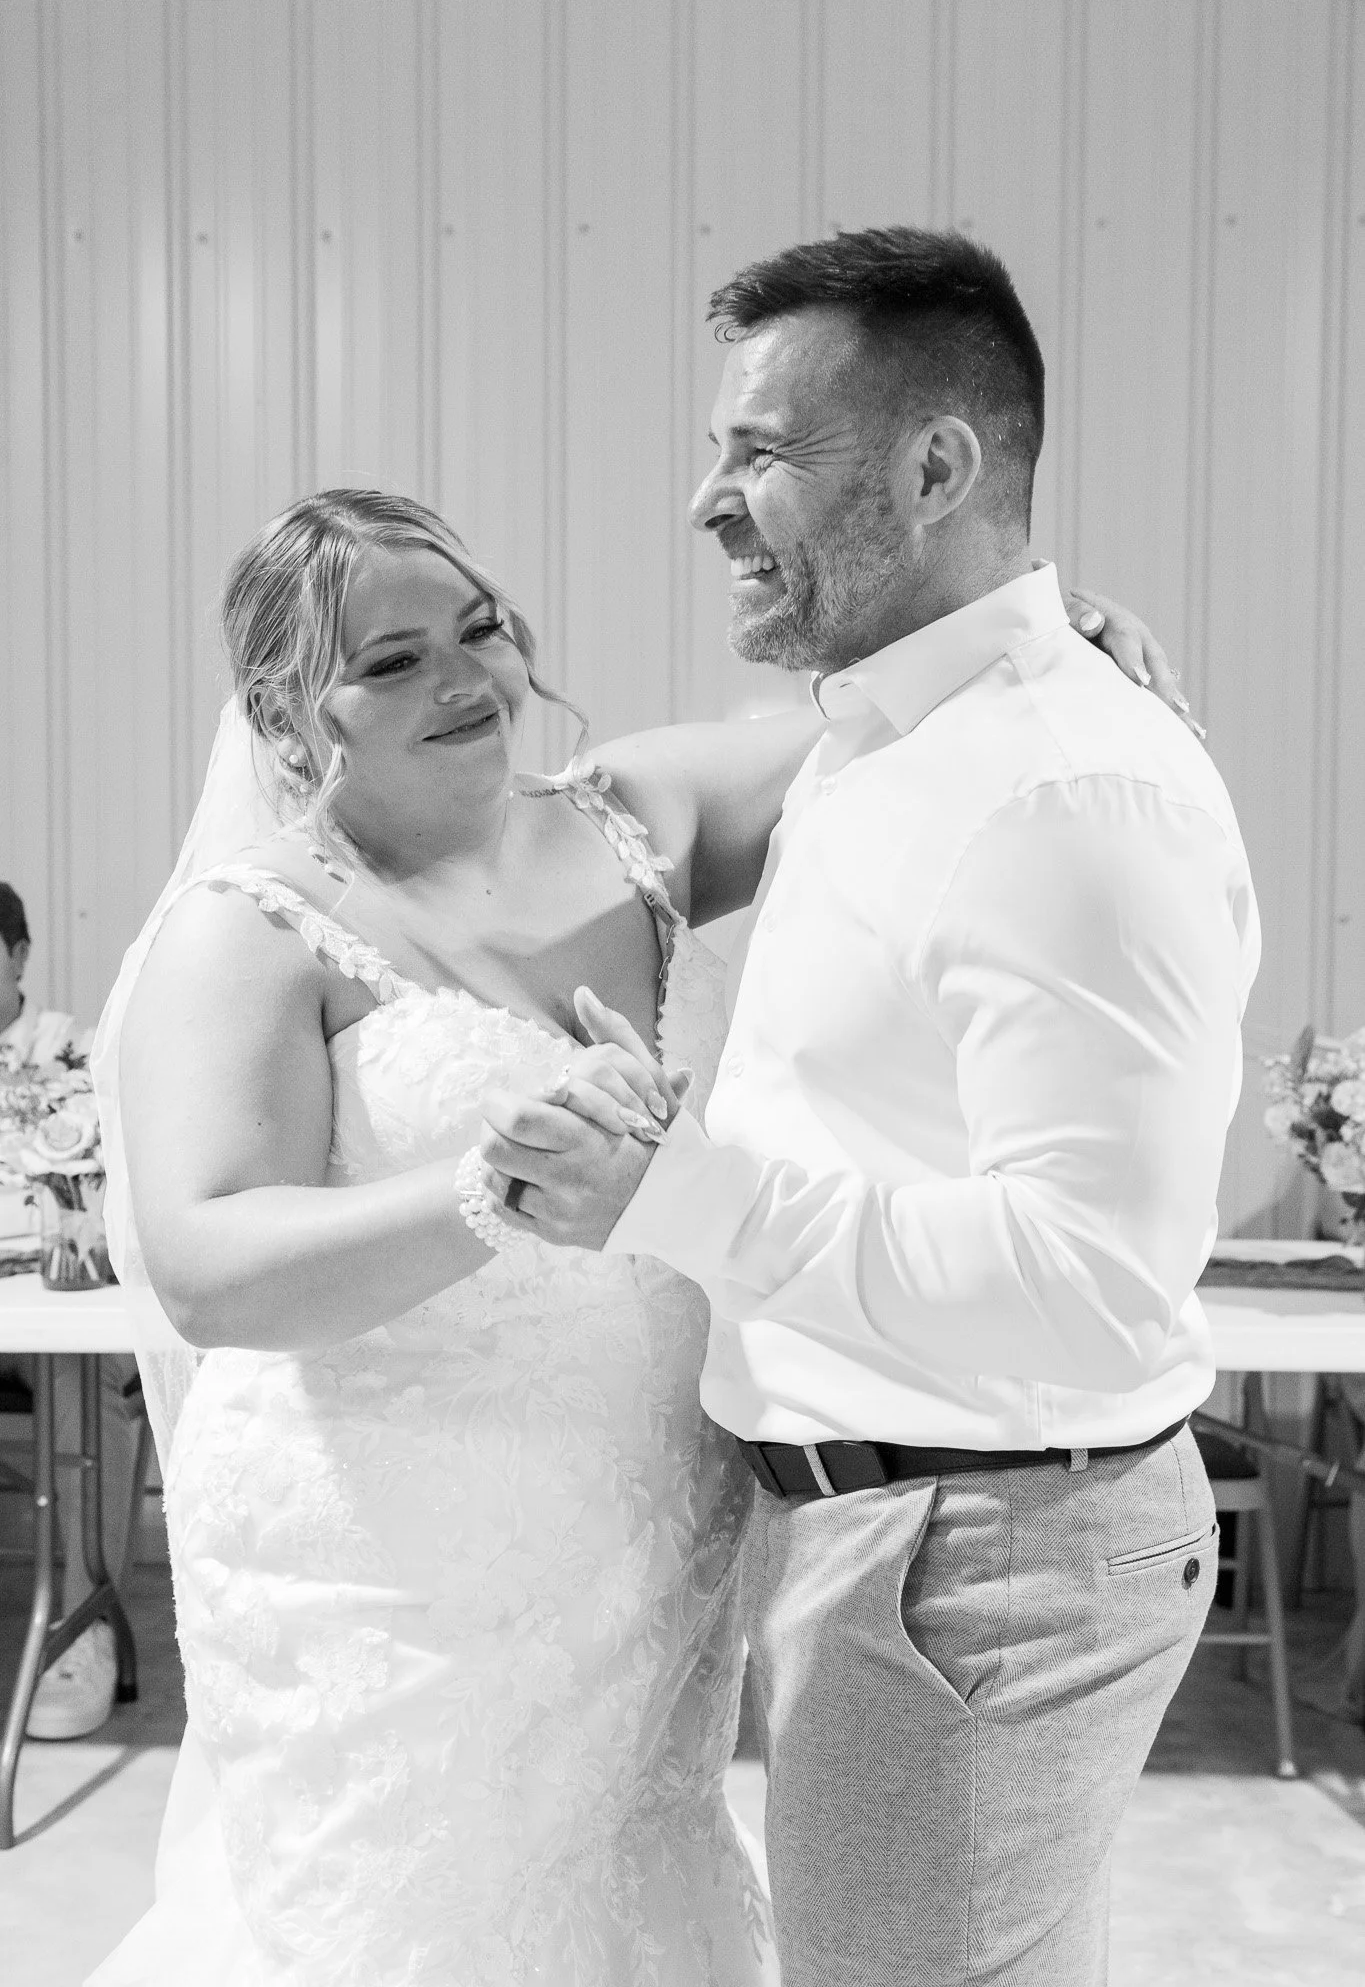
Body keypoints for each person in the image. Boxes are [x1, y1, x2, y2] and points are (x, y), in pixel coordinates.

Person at [90, 480, 1170, 1984]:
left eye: (478, 629)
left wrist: (1042, 646)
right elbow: (207, 1266)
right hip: (392, 1554)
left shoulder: (639, 814)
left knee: (627, 1892)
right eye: (389, 661)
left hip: (646, 1515)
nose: (466, 679)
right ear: (285, 709)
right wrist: (493, 1180)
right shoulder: (254, 925)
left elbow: (904, 714)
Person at [476, 228, 1258, 1987]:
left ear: (937, 465)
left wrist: (679, 1191)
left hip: (981, 1557)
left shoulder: (1061, 788)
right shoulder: (881, 736)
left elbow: (1090, 1279)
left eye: (759, 451)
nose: (706, 500)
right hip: (906, 1532)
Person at [0, 881, 141, 1740]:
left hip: (40, 1294)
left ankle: (81, 1624)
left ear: (17, 955)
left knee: (83, 1383)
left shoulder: (72, 1053)